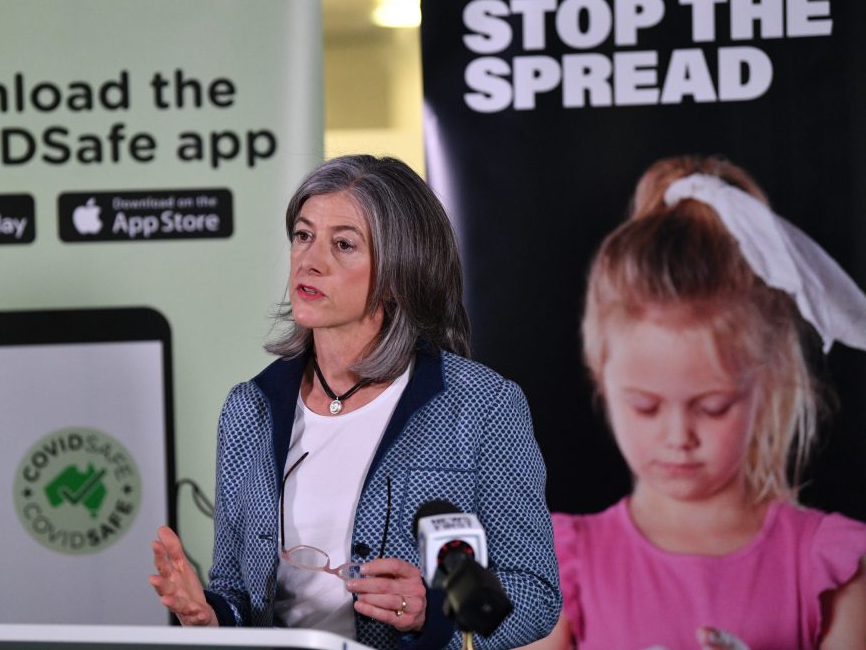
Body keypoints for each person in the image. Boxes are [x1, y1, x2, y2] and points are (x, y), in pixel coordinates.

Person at [149, 155, 561, 649]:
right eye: (303, 235)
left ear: (399, 272)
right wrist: (209, 615)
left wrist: (430, 615)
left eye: (343, 244)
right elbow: (237, 591)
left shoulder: (483, 405)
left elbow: (534, 592)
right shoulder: (249, 408)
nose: (310, 260)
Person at [528, 156, 866, 650]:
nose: (678, 437)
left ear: (769, 381)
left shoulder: (832, 566)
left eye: (713, 407)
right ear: (601, 375)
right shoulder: (558, 564)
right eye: (645, 406)